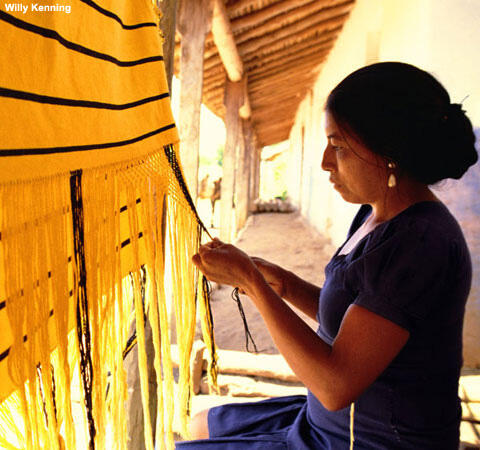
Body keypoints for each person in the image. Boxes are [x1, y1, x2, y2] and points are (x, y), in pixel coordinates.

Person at [177, 62, 478, 449]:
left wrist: (251, 283)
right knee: (201, 423)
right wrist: (282, 283)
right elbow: (355, 323)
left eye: (338, 146)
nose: (324, 161)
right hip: (330, 422)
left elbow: (335, 386)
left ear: (389, 152)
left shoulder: (419, 245)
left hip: (372, 439)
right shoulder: (375, 215)